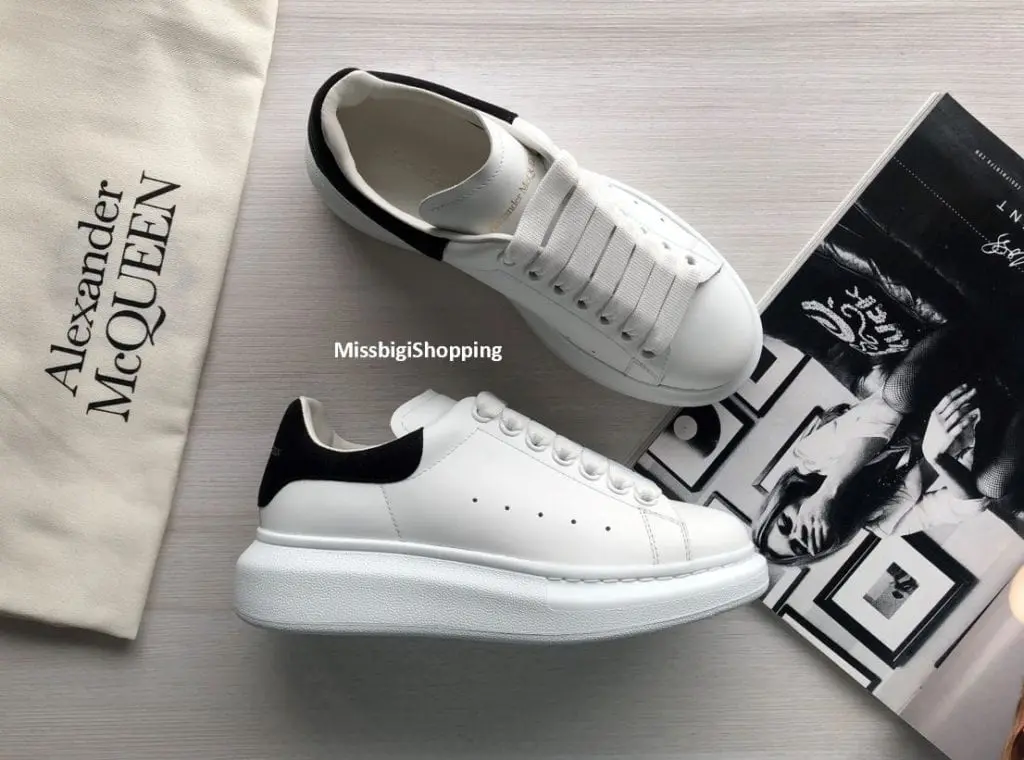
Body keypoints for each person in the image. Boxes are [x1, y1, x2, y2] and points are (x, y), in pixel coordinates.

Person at [752, 327, 1024, 566]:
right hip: (973, 426)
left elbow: (884, 412)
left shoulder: (810, 456)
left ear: (786, 500)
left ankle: (981, 328)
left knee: (898, 394)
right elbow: (968, 506)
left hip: (934, 379)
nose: (799, 531)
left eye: (786, 523)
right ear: (816, 550)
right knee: (992, 485)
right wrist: (937, 458)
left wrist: (826, 494)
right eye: (799, 546)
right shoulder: (884, 523)